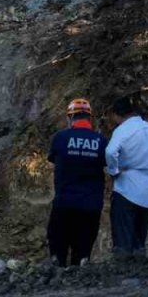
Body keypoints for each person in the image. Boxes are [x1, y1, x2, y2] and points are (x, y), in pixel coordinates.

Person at [44, 98, 107, 267]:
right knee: (82, 254)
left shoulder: (60, 138)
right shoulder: (101, 141)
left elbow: (53, 159)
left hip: (65, 203)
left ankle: (58, 281)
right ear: (89, 118)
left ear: (70, 118)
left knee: (58, 251)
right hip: (91, 206)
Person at [105, 97, 148, 256]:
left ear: (116, 114)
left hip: (127, 190)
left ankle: (123, 275)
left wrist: (114, 171)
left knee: (123, 242)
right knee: (140, 241)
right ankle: (140, 275)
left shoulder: (123, 130)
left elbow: (110, 152)